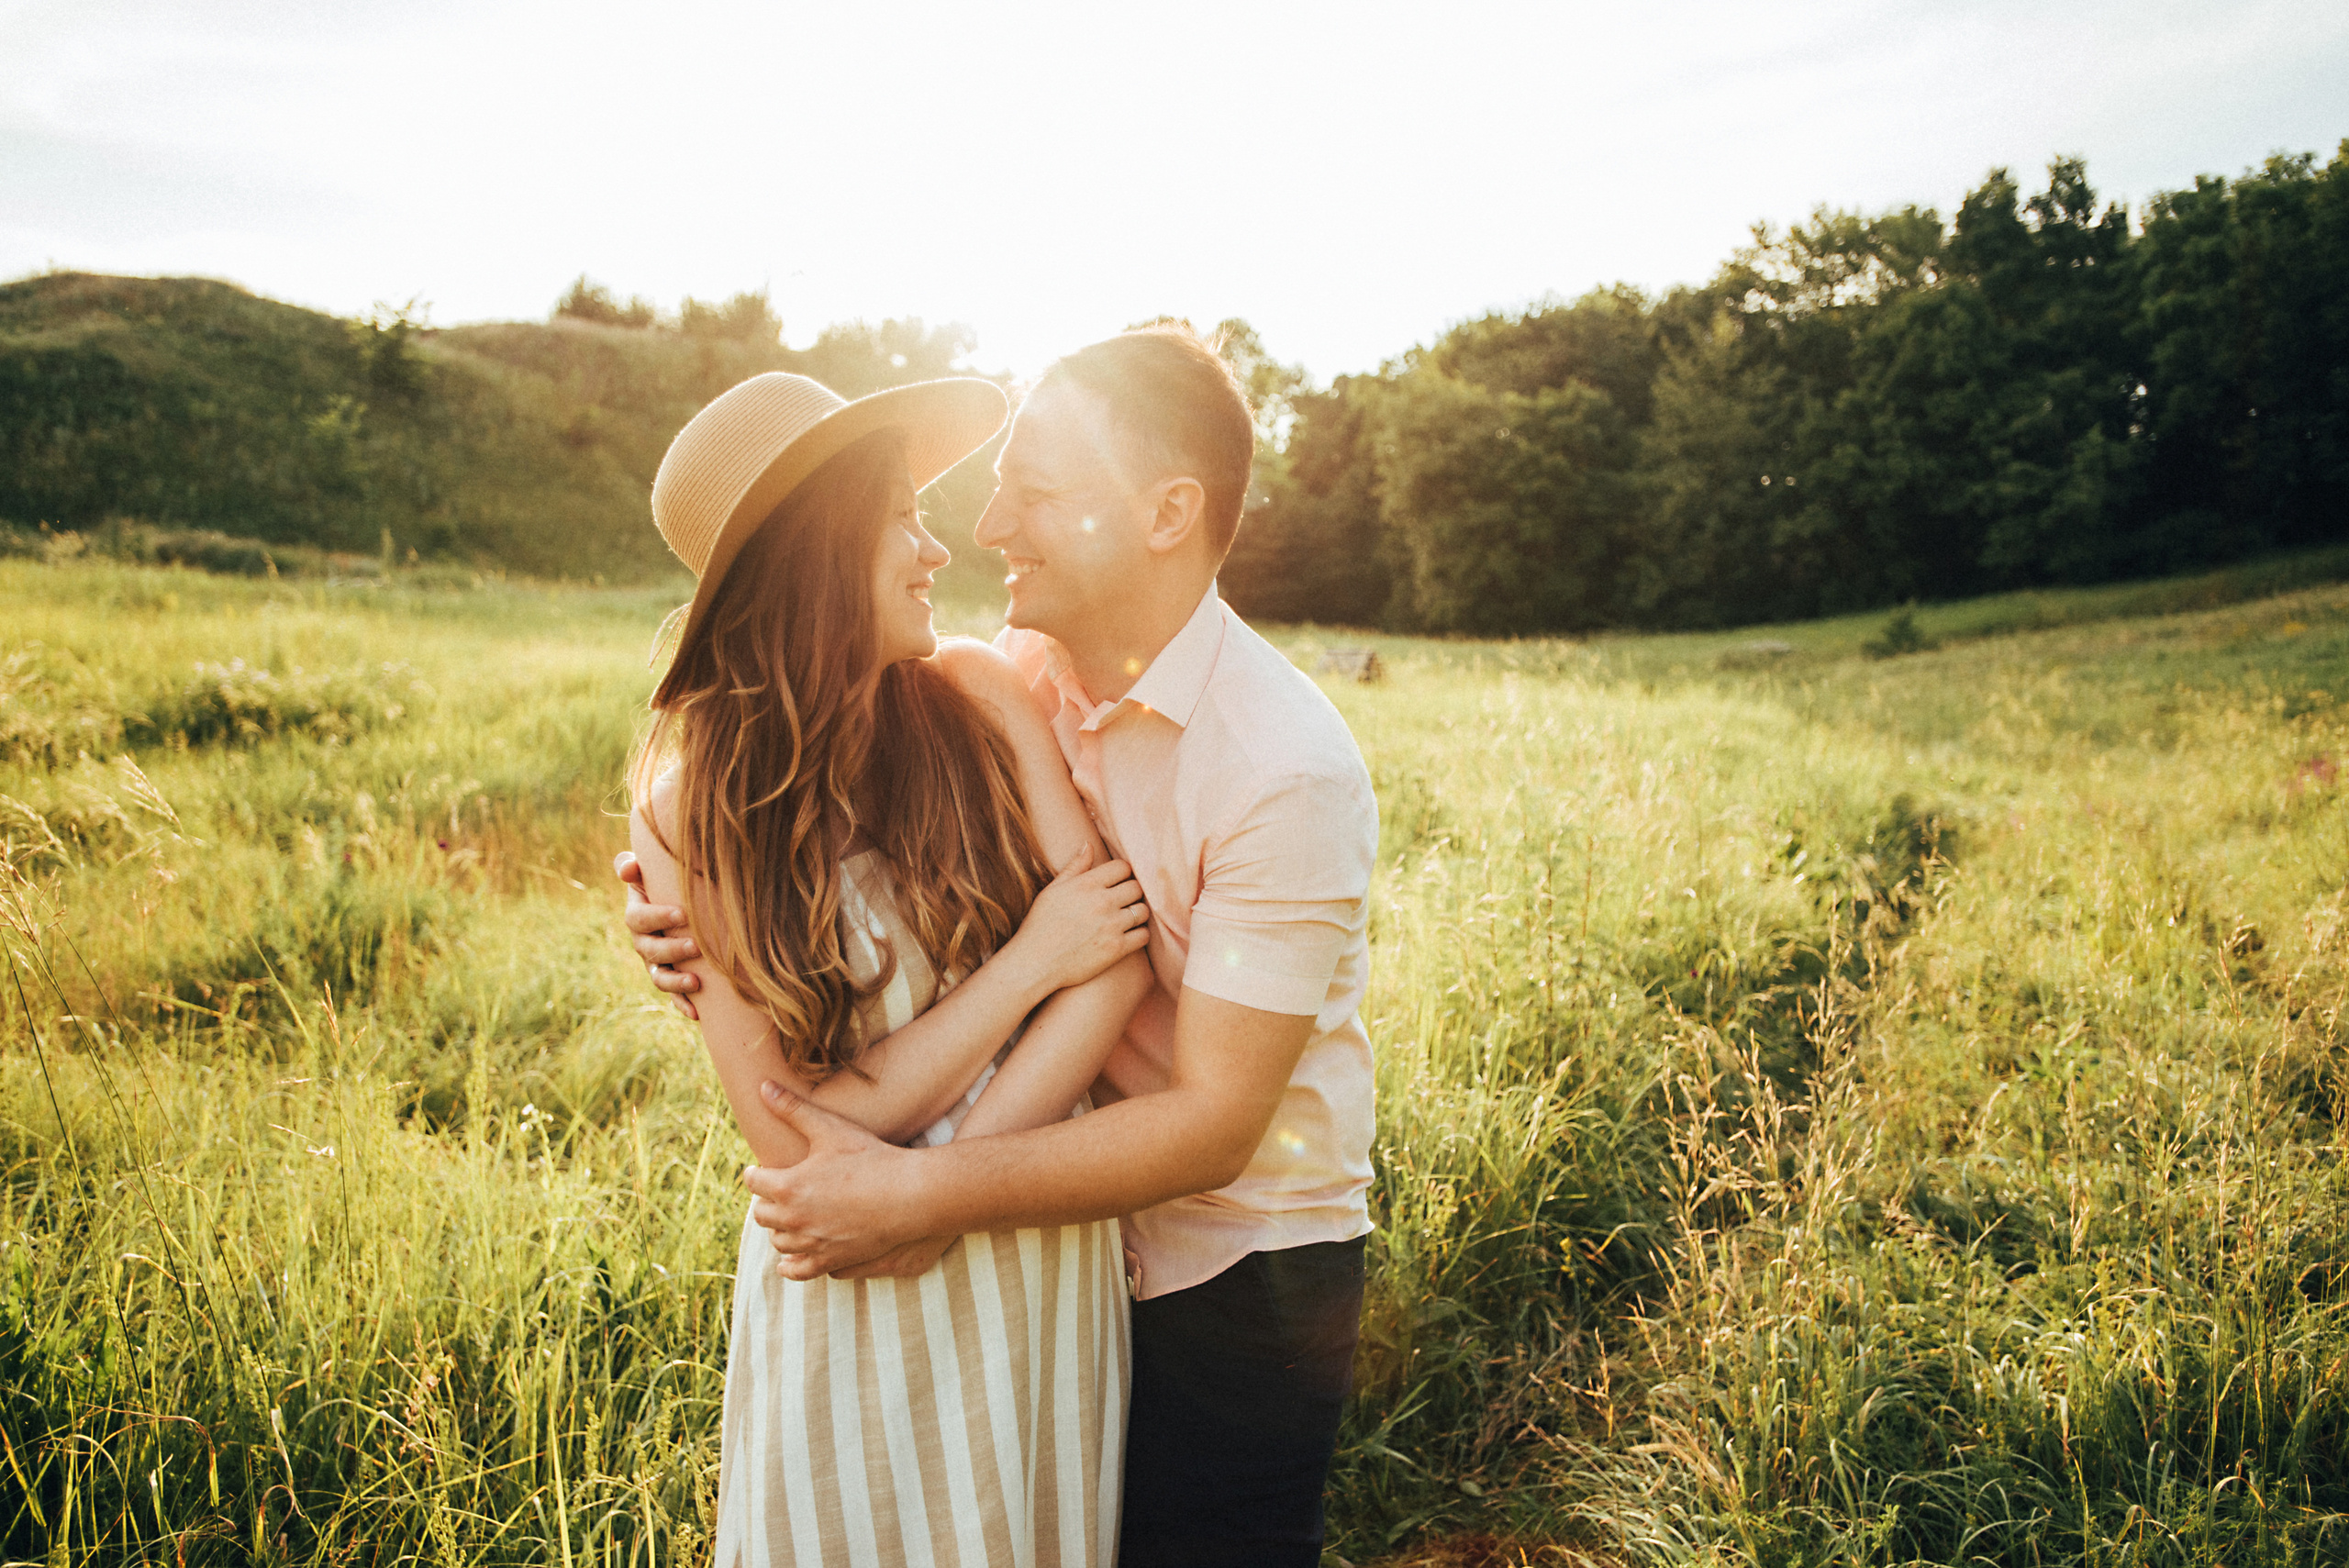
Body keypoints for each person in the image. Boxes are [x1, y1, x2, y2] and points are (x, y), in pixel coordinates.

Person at [623, 325, 1381, 1567]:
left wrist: (924, 1188)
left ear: (1163, 513)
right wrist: (684, 920)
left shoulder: (1280, 768)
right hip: (982, 1227)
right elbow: (798, 1112)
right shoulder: (1020, 672)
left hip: (1232, 1259)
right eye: (923, 508)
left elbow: (1213, 1117)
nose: (978, 534)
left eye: (1035, 491)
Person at [625, 368, 1155, 1567]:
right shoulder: (688, 815)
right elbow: (797, 1135)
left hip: (1027, 1234)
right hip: (852, 1270)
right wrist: (1027, 967)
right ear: (812, 558)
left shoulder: (976, 694)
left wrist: (940, 1189)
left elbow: (1112, 959)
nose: (934, 548)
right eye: (897, 519)